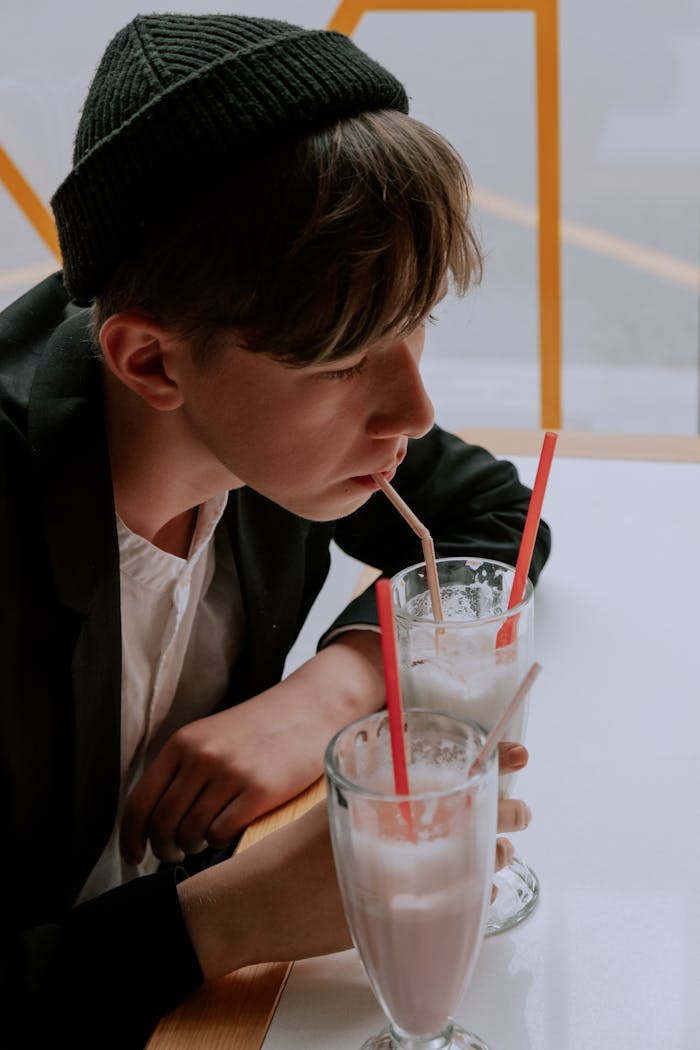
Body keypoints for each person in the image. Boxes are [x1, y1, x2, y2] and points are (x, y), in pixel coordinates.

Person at [0, 12, 551, 1048]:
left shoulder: (270, 421)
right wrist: (230, 916)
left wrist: (333, 685)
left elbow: (499, 518)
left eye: (416, 318)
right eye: (345, 360)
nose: (413, 412)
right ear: (151, 363)